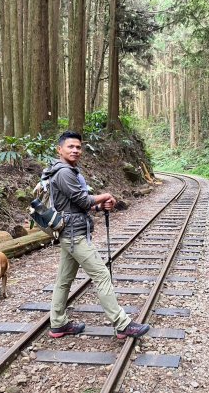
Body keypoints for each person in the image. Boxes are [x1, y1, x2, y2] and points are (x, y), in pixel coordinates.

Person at [45, 130, 150, 339]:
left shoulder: (67, 171)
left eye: (78, 147)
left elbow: (77, 205)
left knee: (64, 280)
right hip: (74, 235)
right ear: (59, 149)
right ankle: (122, 324)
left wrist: (99, 207)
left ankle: (58, 323)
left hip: (70, 231)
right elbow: (83, 200)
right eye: (70, 147)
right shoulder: (64, 172)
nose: (75, 150)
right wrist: (106, 196)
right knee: (102, 275)